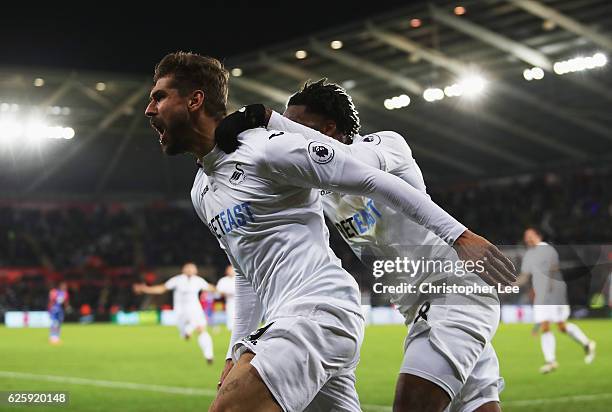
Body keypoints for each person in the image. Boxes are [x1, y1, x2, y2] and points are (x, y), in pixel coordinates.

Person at [144, 52, 514, 412]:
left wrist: (460, 235)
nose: (292, 137)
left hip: (453, 289)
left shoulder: (386, 145)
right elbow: (248, 262)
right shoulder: (310, 191)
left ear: (329, 129)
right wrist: (234, 347)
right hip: (413, 308)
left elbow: (362, 171)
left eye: (299, 127)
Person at [517, 227, 596, 373]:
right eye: (525, 236)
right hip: (542, 295)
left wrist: (549, 290)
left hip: (555, 293)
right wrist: (510, 284)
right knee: (559, 326)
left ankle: (551, 360)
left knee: (552, 325)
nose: (527, 239)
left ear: (538, 236)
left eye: (530, 236)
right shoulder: (528, 255)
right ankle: (585, 344)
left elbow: (554, 269)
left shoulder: (547, 250)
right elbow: (525, 276)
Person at [133, 262, 216, 364]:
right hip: (181, 312)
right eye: (188, 268)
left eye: (192, 268)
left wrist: (219, 288)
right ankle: (187, 330)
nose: (190, 270)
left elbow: (210, 288)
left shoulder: (198, 281)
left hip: (195, 309)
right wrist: (146, 289)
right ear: (183, 270)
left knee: (202, 329)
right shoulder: (177, 280)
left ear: (196, 271)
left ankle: (208, 354)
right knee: (187, 335)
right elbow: (161, 289)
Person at [216, 265, 236, 331]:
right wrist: (227, 293)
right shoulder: (223, 280)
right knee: (230, 315)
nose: (230, 271)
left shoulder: (239, 279)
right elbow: (218, 292)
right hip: (229, 300)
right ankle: (231, 329)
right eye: (229, 270)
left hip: (241, 300)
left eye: (232, 270)